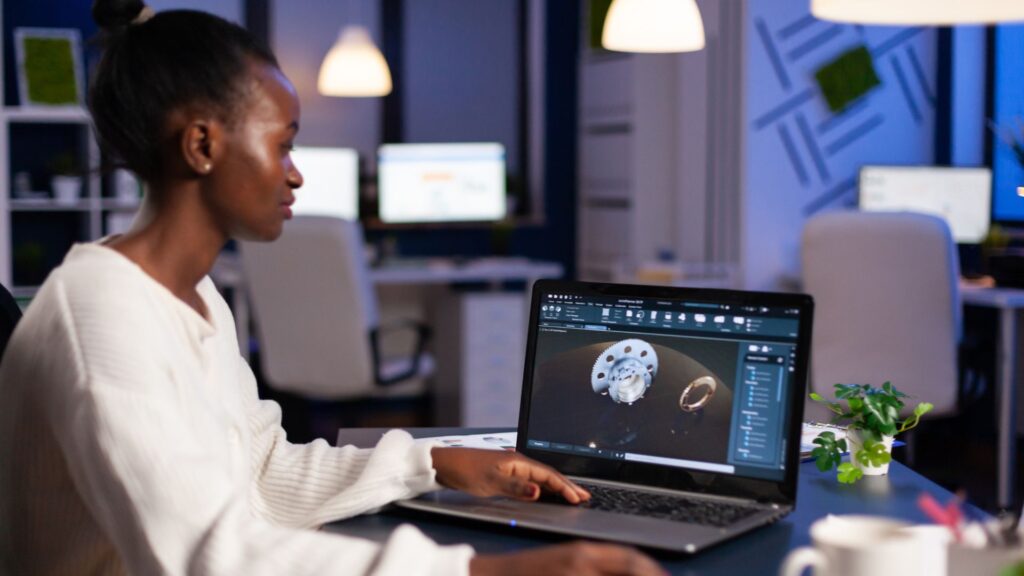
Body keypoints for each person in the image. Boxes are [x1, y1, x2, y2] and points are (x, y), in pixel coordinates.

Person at [0, 2, 667, 575]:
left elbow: (260, 470)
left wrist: (437, 463)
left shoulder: (198, 299)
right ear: (202, 144)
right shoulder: (99, 314)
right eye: (283, 144)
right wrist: (480, 569)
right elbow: (212, 557)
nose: (295, 176)